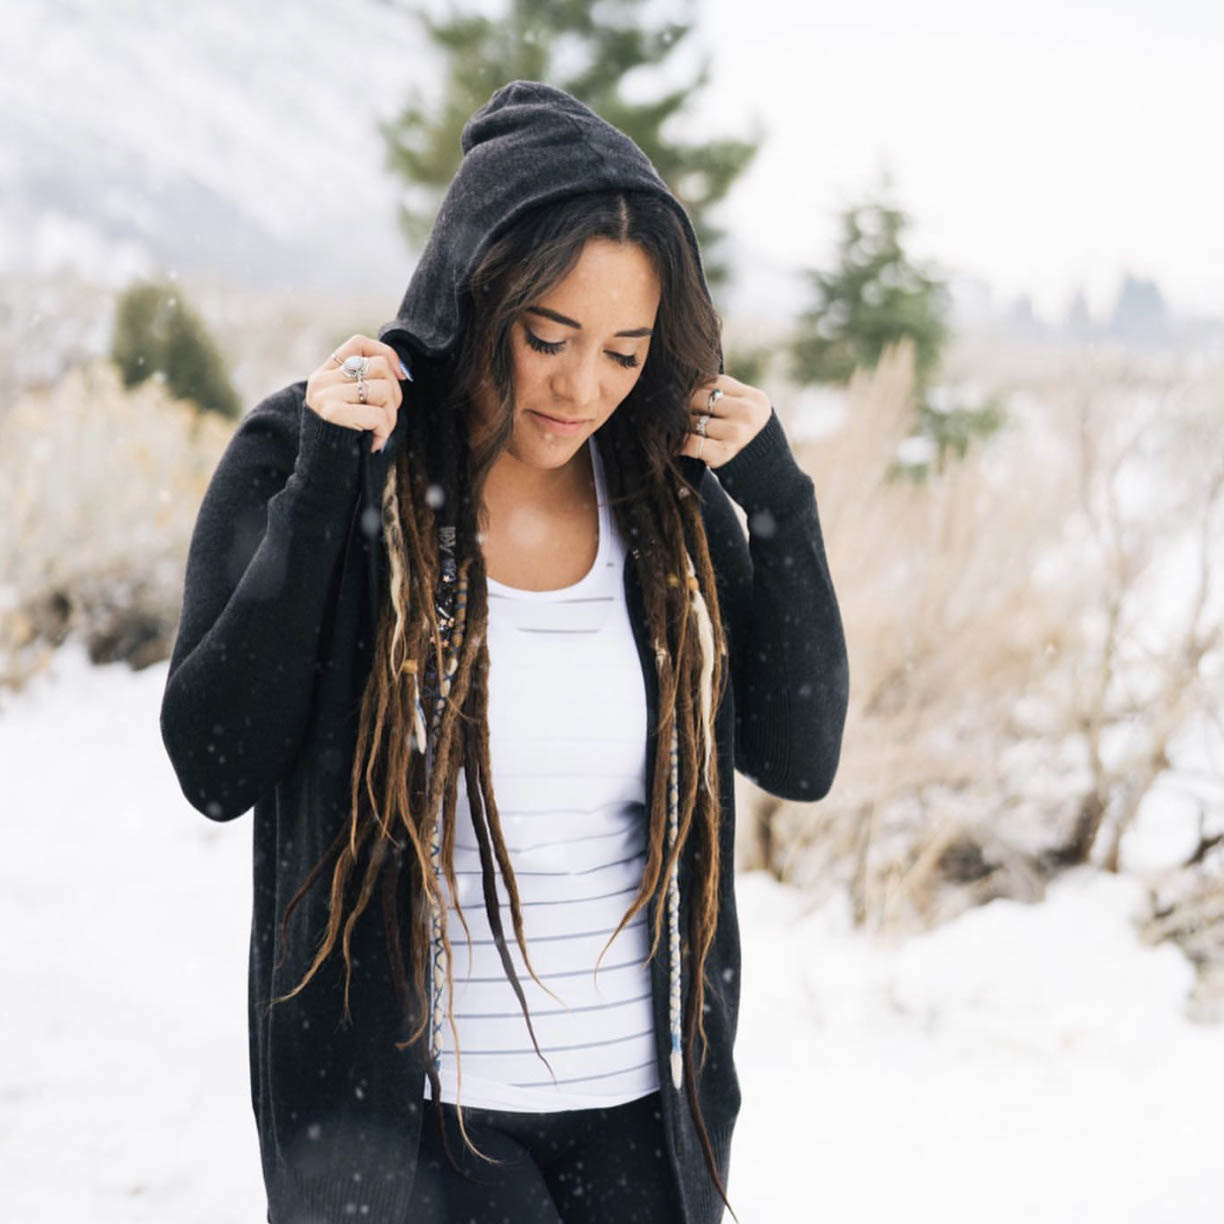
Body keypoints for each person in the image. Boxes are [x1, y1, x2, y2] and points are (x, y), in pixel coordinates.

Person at [159, 79, 849, 1224]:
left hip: (647, 1125)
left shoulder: (664, 504)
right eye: (549, 338)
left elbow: (802, 751)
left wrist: (774, 494)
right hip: (412, 1134)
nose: (582, 388)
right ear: (476, 294)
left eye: (626, 353)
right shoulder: (318, 450)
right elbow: (215, 759)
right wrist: (329, 485)